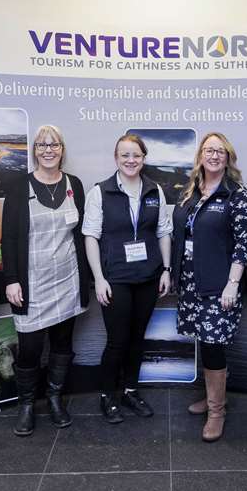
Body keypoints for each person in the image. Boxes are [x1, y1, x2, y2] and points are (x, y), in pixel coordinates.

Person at [1, 124, 89, 435]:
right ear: (35, 150)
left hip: (67, 279)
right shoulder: (17, 187)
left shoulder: (74, 185)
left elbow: (79, 234)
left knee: (63, 344)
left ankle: (54, 398)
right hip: (31, 283)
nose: (48, 150)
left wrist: (87, 280)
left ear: (62, 150)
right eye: (42, 145)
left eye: (54, 144)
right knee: (30, 348)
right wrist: (11, 279)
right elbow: (9, 238)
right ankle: (27, 404)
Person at [82, 134, 172, 423]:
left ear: (143, 158)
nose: (131, 160)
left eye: (136, 155)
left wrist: (166, 269)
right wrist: (99, 278)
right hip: (115, 278)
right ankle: (108, 395)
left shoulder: (154, 190)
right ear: (116, 158)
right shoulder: (101, 192)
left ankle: (131, 391)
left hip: (147, 277)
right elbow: (90, 236)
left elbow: (163, 232)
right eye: (125, 155)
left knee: (137, 339)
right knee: (117, 341)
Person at [171, 132, 247, 442]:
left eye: (220, 151)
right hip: (191, 278)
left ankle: (217, 411)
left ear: (228, 157)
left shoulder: (236, 194)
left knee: (215, 343)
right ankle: (212, 396)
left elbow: (243, 245)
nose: (214, 155)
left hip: (219, 282)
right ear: (200, 156)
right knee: (205, 341)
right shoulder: (190, 191)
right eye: (208, 150)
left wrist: (232, 283)